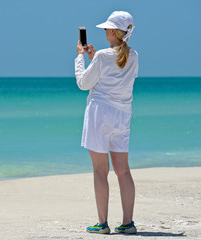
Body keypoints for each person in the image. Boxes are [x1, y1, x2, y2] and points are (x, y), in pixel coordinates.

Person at [74, 11, 138, 234]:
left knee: (101, 171)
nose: (104, 31)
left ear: (112, 31)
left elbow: (83, 83)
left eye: (106, 28)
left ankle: (102, 224)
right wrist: (95, 60)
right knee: (123, 170)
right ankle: (128, 223)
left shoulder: (102, 55)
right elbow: (117, 75)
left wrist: (81, 57)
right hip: (122, 116)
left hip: (100, 115)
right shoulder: (134, 56)